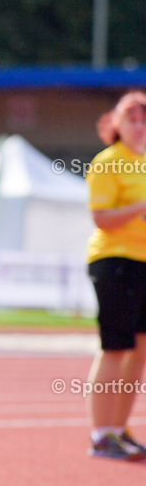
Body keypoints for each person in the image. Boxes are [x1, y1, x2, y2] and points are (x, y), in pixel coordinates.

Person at [85, 90, 146, 460]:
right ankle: (100, 435)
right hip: (115, 262)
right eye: (132, 119)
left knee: (139, 352)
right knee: (115, 347)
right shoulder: (109, 163)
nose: (139, 126)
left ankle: (119, 429)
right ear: (116, 125)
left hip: (144, 263)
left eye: (144, 119)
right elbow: (101, 218)